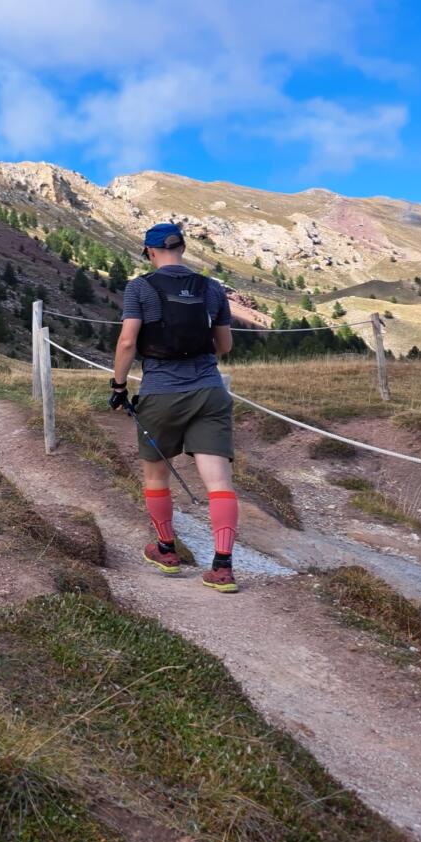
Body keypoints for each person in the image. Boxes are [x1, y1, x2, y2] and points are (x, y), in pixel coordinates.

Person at [109, 222, 239, 593]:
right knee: (219, 483)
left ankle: (166, 550)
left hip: (160, 392)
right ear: (182, 247)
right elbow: (225, 346)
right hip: (209, 392)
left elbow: (127, 342)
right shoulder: (211, 288)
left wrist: (119, 386)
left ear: (150, 252)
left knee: (156, 476)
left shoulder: (140, 288)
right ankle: (224, 567)